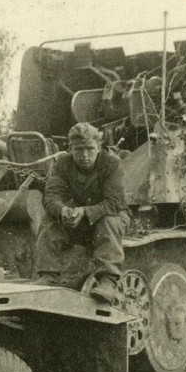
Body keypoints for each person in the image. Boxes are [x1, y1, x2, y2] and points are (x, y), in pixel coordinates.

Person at [36, 122, 130, 303]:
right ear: (70, 148)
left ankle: (108, 281)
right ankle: (47, 275)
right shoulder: (63, 164)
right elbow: (51, 196)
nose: (84, 155)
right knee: (49, 220)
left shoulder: (112, 165)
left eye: (90, 149)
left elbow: (114, 202)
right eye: (78, 149)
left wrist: (85, 212)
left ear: (99, 147)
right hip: (77, 219)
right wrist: (61, 210)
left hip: (109, 217)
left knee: (108, 222)